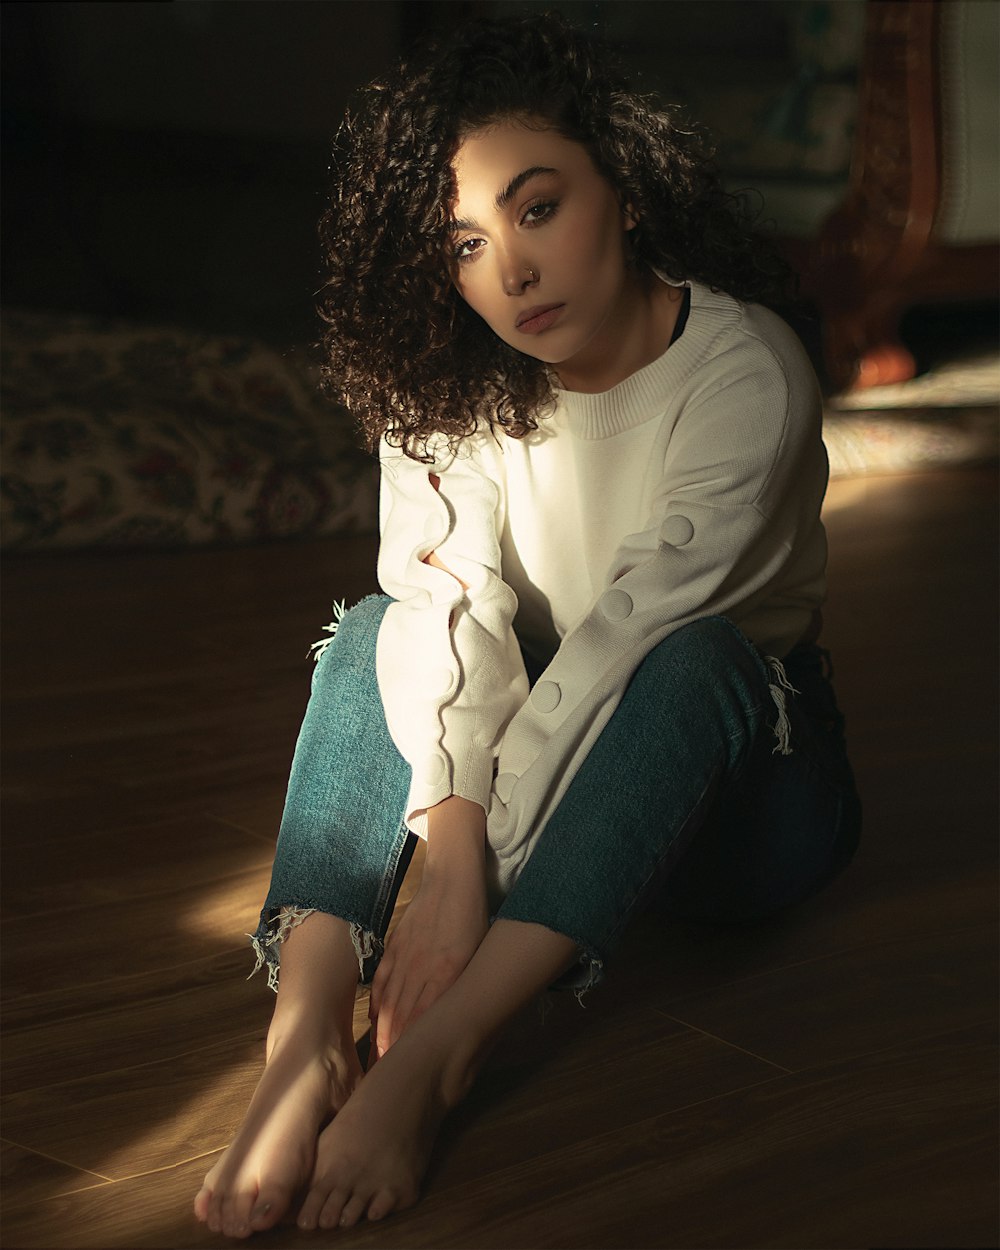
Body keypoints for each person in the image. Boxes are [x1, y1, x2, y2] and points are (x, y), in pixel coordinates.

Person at [193, 12, 861, 1239]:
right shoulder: (447, 374)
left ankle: (437, 1057)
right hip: (539, 767)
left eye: (536, 207)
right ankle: (307, 1035)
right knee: (382, 628)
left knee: (687, 655)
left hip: (736, 789)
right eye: (462, 243)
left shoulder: (743, 373)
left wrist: (465, 887)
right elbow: (451, 603)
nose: (509, 270)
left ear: (624, 180)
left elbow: (624, 640)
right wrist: (449, 854)